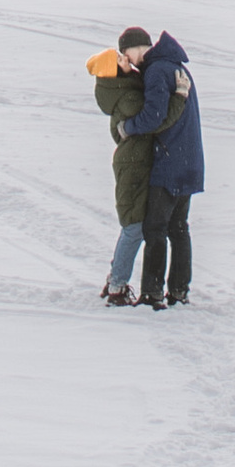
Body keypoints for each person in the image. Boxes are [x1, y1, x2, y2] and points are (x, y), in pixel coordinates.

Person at [130, 23, 204, 308]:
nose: (130, 61)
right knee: (179, 228)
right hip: (190, 160)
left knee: (156, 229)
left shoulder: (157, 71)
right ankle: (179, 290)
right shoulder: (177, 68)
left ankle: (152, 293)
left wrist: (128, 127)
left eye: (127, 52)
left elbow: (154, 116)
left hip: (169, 162)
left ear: (137, 48)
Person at [84, 38, 154, 302]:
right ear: (114, 70)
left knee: (132, 225)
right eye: (121, 60)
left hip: (133, 162)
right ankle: (117, 287)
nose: (127, 61)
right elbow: (150, 118)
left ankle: (115, 279)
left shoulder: (121, 90)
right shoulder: (127, 95)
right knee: (133, 226)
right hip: (133, 165)